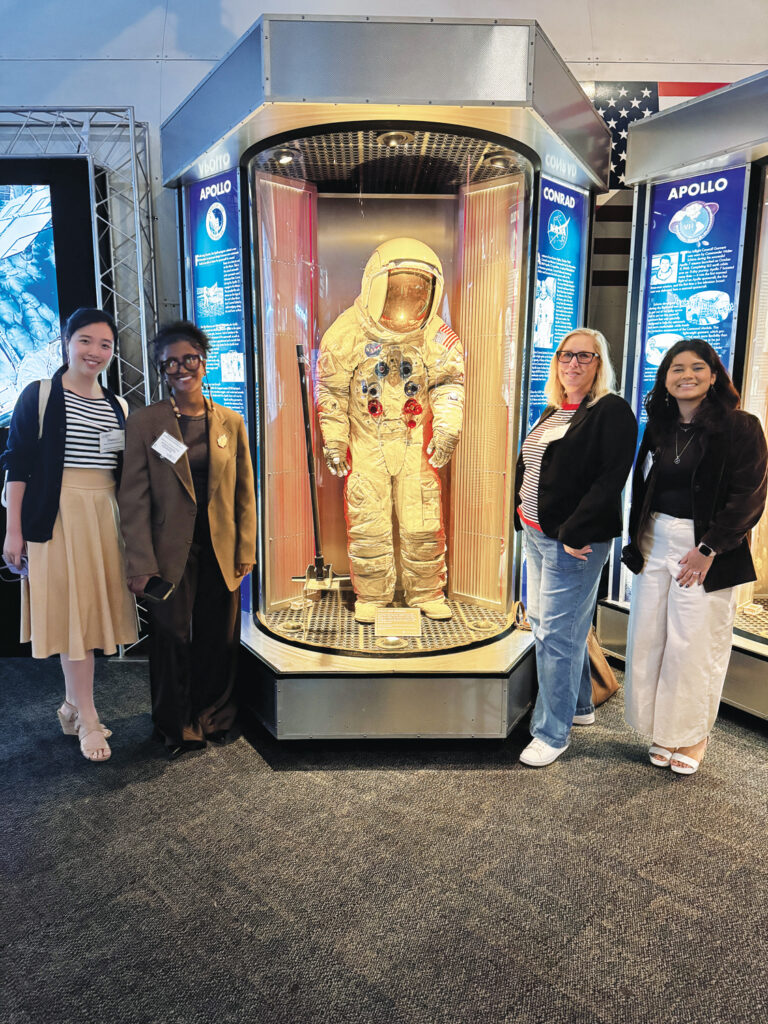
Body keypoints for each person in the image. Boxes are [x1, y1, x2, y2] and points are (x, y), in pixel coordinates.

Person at [622, 339, 767, 775]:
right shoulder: (660, 426)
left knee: (694, 644)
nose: (686, 375)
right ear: (665, 378)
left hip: (705, 547)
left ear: (714, 375)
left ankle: (692, 735)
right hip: (654, 540)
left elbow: (749, 498)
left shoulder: (741, 427)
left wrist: (709, 548)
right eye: (676, 368)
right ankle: (663, 731)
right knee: (649, 639)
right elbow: (646, 488)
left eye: (696, 367)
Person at [1, 308, 138, 762]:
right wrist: (13, 532)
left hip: (105, 517)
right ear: (65, 342)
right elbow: (17, 465)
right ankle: (89, 717)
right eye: (85, 341)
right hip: (56, 519)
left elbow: (127, 471)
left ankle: (71, 706)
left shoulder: (118, 406)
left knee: (90, 618)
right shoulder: (39, 395)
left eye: (105, 345)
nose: (95, 352)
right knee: (74, 620)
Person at [118, 322, 256, 760]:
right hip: (168, 553)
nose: (181, 369)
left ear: (203, 358)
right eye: (170, 363)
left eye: (188, 358)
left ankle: (214, 717)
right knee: (172, 637)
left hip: (220, 547)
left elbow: (243, 492)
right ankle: (176, 725)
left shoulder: (230, 422)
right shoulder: (146, 423)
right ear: (161, 370)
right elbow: (133, 499)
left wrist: (246, 549)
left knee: (219, 634)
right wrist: (139, 562)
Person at [315, 237, 464, 623]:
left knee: (423, 519)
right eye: (397, 290)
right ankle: (372, 595)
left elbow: (449, 385)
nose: (406, 301)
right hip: (366, 441)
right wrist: (334, 441)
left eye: (417, 292)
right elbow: (331, 392)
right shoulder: (346, 332)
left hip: (416, 442)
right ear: (374, 286)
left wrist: (447, 430)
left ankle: (427, 591)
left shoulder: (436, 335)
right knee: (368, 522)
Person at [514, 328, 637, 767]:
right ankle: (579, 705)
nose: (573, 364)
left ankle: (552, 731)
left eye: (585, 357)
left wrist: (575, 532)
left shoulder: (611, 410)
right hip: (536, 533)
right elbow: (535, 464)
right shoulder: (554, 409)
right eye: (566, 355)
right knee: (560, 625)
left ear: (600, 363)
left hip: (572, 544)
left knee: (555, 636)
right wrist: (520, 504)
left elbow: (609, 481)